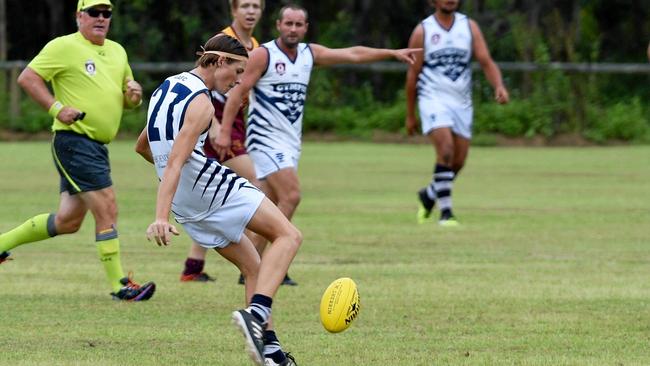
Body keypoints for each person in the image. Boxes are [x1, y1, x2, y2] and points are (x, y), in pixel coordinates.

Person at [135, 34, 301, 366]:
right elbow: (178, 161)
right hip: (205, 185)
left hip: (187, 203)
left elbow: (143, 147)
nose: (239, 81)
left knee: (253, 264)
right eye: (237, 71)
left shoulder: (166, 87)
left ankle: (270, 351)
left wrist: (172, 203)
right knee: (288, 235)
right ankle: (257, 313)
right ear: (220, 61)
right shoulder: (203, 103)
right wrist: (159, 216)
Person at [215, 4, 420, 268]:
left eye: (298, 24)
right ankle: (273, 261)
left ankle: (251, 262)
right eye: (288, 23)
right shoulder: (263, 54)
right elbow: (236, 94)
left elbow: (352, 54)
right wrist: (223, 131)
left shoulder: (309, 54)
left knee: (269, 205)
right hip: (265, 140)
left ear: (306, 28)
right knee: (292, 196)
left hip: (290, 143)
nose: (293, 29)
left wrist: (391, 52)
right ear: (278, 25)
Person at [0, 0, 155, 302]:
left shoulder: (117, 51)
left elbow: (124, 98)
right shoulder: (63, 46)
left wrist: (134, 96)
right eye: (94, 12)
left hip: (97, 146)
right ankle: (119, 285)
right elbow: (27, 78)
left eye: (106, 13)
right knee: (107, 209)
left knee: (68, 221)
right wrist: (57, 108)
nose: (101, 18)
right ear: (79, 16)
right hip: (74, 141)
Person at [180, 0, 299, 287]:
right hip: (216, 125)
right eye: (245, 5)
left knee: (213, 196)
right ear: (233, 10)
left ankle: (194, 266)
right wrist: (217, 128)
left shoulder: (256, 45)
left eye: (256, 6)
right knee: (255, 189)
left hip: (235, 127)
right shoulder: (224, 41)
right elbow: (201, 82)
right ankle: (262, 261)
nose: (251, 11)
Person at [405, 0, 509, 226]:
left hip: (461, 102)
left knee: (458, 162)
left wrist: (498, 86)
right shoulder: (423, 31)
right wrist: (410, 114)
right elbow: (412, 76)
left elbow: (485, 61)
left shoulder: (469, 27)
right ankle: (446, 213)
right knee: (446, 150)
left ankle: (429, 195)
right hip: (432, 98)